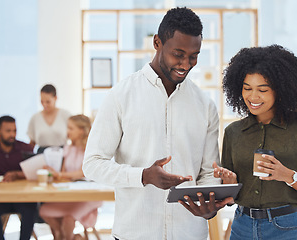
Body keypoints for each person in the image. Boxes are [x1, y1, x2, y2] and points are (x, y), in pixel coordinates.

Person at [83, 7, 233, 240]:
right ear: (157, 42)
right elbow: (92, 164)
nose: (186, 64)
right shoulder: (121, 96)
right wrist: (143, 176)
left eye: (194, 56)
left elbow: (208, 173)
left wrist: (209, 207)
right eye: (178, 54)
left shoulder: (205, 105)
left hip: (190, 234)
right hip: (134, 233)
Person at [215, 45, 297, 240]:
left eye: (262, 90)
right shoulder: (233, 132)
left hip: (290, 228)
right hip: (242, 227)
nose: (253, 97)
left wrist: (286, 175)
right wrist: (228, 183)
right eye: (247, 88)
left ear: (281, 89)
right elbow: (231, 196)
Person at [39, 114, 103, 240]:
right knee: (44, 210)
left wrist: (61, 174)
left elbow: (83, 173)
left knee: (68, 218)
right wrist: (54, 172)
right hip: (71, 194)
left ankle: (66, 237)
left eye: (71, 128)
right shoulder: (68, 148)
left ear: (81, 131)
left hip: (89, 196)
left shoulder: (91, 150)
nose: (67, 132)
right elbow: (63, 174)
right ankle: (63, 235)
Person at [27, 84, 71, 153]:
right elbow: (32, 143)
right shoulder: (35, 118)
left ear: (55, 98)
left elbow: (74, 138)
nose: (44, 105)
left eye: (48, 102)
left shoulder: (66, 115)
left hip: (62, 154)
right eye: (42, 101)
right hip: (41, 156)